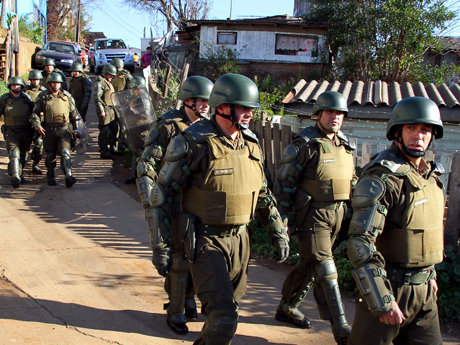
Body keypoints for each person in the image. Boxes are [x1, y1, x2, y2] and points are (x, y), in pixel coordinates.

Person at [152, 73, 289, 344]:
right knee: (224, 318)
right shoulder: (194, 143)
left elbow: (262, 193)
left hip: (241, 240)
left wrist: (277, 232)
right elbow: (161, 194)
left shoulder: (251, 143)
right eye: (243, 107)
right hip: (206, 239)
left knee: (230, 311)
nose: (249, 113)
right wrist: (161, 245)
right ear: (224, 107)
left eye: (251, 108)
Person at [347, 96, 445, 345]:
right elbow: (360, 242)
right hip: (389, 286)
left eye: (425, 130)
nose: (418, 136)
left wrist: (430, 275)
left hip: (424, 293)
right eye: (411, 128)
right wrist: (381, 299)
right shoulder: (382, 179)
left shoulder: (431, 177)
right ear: (397, 132)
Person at [273, 91, 355, 344]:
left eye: (339, 113)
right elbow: (284, 182)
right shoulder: (304, 145)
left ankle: (287, 307)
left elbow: (351, 181)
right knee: (325, 268)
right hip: (312, 215)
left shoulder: (345, 145)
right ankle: (341, 328)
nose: (335, 117)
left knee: (310, 263)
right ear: (318, 114)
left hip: (337, 215)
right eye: (330, 112)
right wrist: (281, 220)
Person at [136, 75, 213, 334]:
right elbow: (146, 164)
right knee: (179, 259)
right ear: (188, 101)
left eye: (208, 102)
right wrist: (151, 200)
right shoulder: (169, 126)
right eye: (201, 101)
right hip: (174, 200)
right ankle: (176, 311)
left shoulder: (209, 127)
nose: (206, 106)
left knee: (198, 255)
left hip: (200, 201)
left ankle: (187, 297)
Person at [31, 72, 79, 187]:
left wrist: (76, 129)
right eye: (54, 83)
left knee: (65, 153)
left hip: (64, 130)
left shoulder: (66, 97)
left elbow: (74, 115)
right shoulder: (43, 97)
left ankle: (68, 176)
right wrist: (38, 126)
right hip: (49, 131)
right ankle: (50, 176)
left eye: (58, 83)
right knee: (50, 155)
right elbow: (35, 114)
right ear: (49, 84)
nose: (56, 85)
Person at [0, 77, 35, 188]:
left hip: (25, 131)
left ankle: (18, 171)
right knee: (14, 153)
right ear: (10, 86)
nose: (16, 87)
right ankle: (16, 176)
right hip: (11, 131)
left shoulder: (27, 99)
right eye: (13, 85)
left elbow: (34, 114)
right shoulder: (4, 99)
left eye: (18, 85)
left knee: (23, 155)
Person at [24, 70, 47, 175]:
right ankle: (19, 165)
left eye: (37, 79)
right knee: (24, 145)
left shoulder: (43, 92)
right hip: (26, 121)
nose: (35, 81)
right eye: (33, 79)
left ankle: (36, 164)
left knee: (39, 144)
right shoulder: (24, 92)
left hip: (39, 121)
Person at [93, 64, 118, 159]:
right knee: (105, 131)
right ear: (105, 73)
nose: (112, 77)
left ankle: (112, 148)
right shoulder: (100, 82)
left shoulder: (108, 82)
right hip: (105, 109)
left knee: (114, 128)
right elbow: (97, 98)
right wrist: (101, 110)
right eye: (110, 75)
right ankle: (104, 151)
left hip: (112, 109)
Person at [110, 57, 133, 155]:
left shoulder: (126, 76)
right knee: (112, 125)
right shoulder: (111, 75)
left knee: (122, 126)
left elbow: (131, 90)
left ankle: (122, 146)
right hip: (111, 103)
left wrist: (127, 102)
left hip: (122, 104)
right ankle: (112, 145)